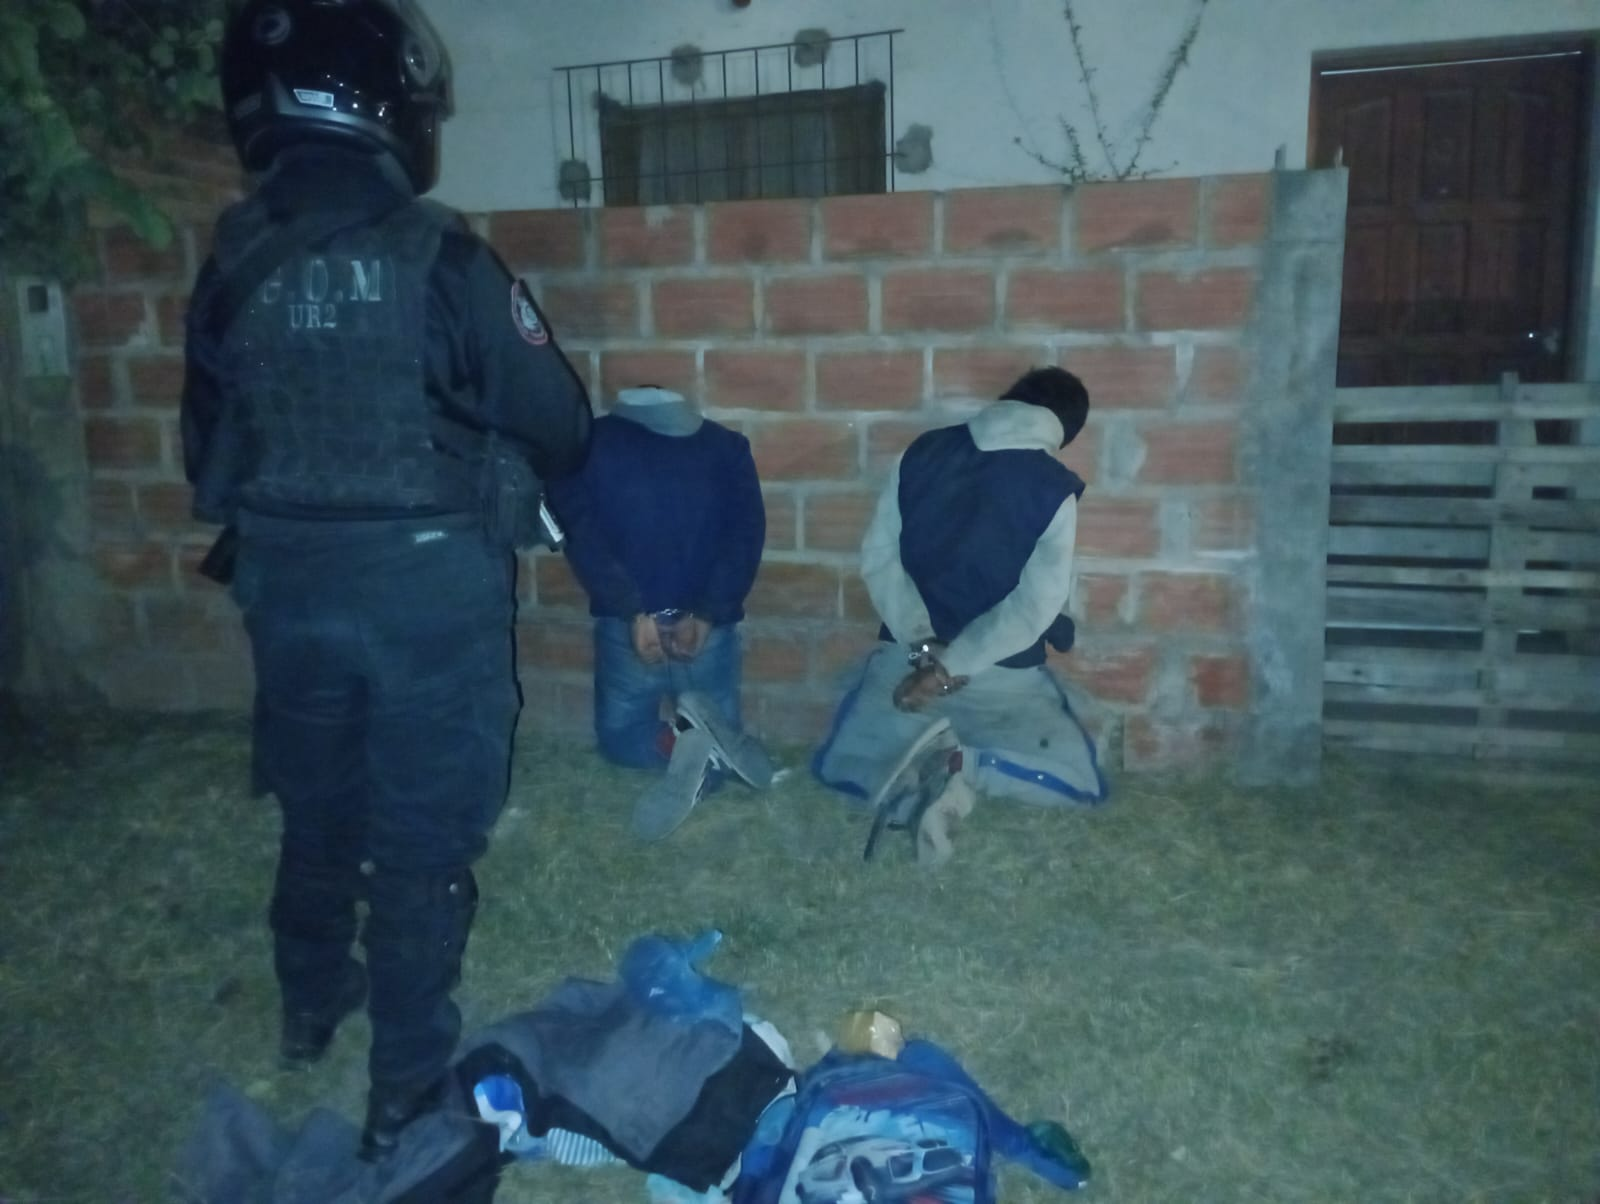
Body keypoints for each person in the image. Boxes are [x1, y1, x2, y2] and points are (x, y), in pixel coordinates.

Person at [180, 0, 593, 1159]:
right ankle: (405, 1088)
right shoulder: (445, 255)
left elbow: (206, 460)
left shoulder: (231, 261)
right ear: (386, 104)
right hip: (426, 596)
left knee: (317, 805)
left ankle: (310, 1005)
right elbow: (560, 426)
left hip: (289, 588)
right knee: (420, 839)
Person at [813, 367, 1108, 864]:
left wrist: (924, 649)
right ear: (1063, 431)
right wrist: (950, 666)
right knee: (1081, 784)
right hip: (999, 681)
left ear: (1009, 398)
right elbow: (1035, 606)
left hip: (904, 670)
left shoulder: (920, 452)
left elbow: (879, 560)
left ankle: (909, 782)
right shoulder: (1053, 485)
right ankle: (967, 767)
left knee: (841, 769)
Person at [546, 385, 773, 841]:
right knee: (724, 724)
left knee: (620, 737)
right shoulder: (727, 447)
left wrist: (631, 610)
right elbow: (746, 537)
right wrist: (707, 612)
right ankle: (708, 746)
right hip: (706, 631)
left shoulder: (586, 448)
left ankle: (681, 747)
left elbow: (580, 534)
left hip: (629, 627)